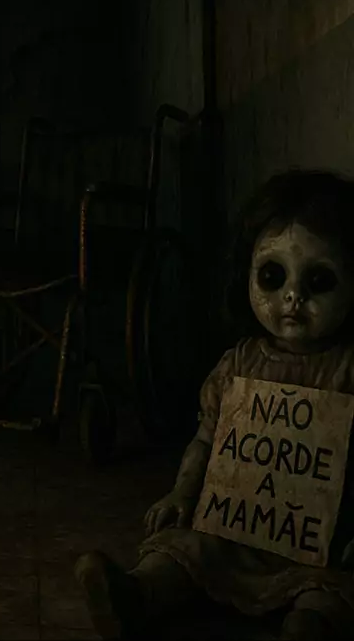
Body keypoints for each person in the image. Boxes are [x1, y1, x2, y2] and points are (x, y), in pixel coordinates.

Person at [75, 169, 354, 639]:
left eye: (320, 280)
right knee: (182, 549)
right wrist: (183, 493)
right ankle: (136, 594)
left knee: (332, 592)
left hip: (321, 544)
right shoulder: (237, 365)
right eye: (273, 276)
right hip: (233, 530)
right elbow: (207, 438)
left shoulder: (348, 370)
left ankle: (309, 626)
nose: (293, 296)